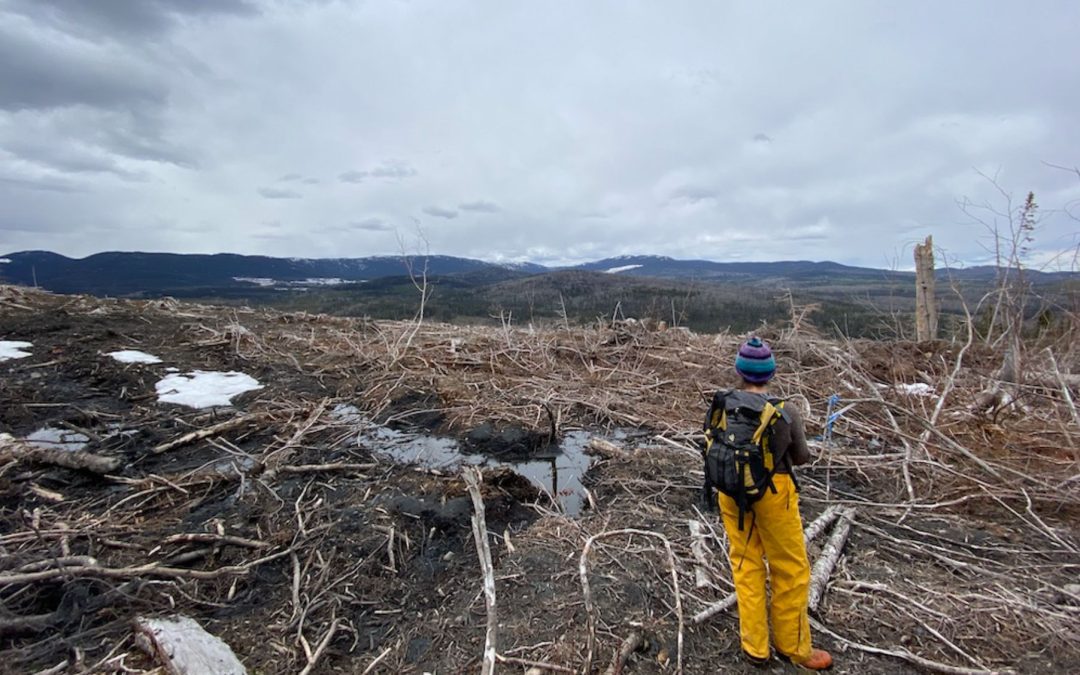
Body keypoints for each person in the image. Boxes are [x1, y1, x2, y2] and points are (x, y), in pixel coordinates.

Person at [709, 337, 833, 670]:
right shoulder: (785, 410)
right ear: (771, 372)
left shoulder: (723, 404)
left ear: (739, 370)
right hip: (774, 494)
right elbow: (802, 457)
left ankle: (755, 648)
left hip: (731, 492)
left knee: (745, 564)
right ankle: (795, 647)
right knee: (790, 568)